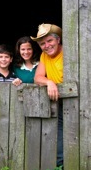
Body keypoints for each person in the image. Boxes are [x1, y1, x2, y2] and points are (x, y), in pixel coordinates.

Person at [30, 23, 63, 168]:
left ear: (58, 40)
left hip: (80, 100)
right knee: (59, 131)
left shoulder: (70, 51)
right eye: (42, 43)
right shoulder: (44, 56)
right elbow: (37, 77)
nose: (46, 45)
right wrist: (49, 82)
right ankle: (61, 165)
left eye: (50, 41)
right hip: (59, 100)